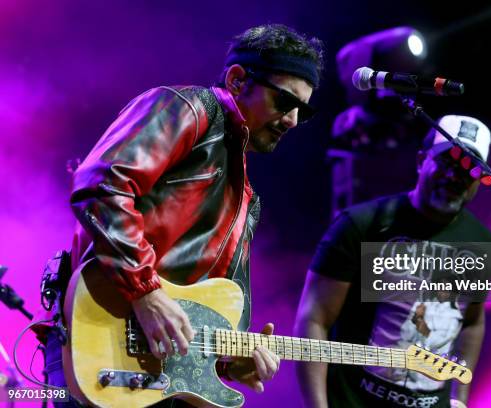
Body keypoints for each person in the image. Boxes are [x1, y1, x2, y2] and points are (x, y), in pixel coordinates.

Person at [40, 24, 324, 406]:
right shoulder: (189, 108)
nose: (291, 120)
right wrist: (146, 291)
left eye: (301, 113)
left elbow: (211, 309)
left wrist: (231, 361)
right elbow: (103, 185)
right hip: (102, 337)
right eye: (285, 102)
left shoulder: (247, 201)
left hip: (159, 374)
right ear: (238, 81)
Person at [294, 115, 491, 408]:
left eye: (469, 169)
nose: (456, 176)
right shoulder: (361, 225)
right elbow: (314, 319)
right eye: (447, 162)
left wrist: (459, 399)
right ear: (420, 160)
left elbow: (472, 323)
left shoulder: (482, 244)